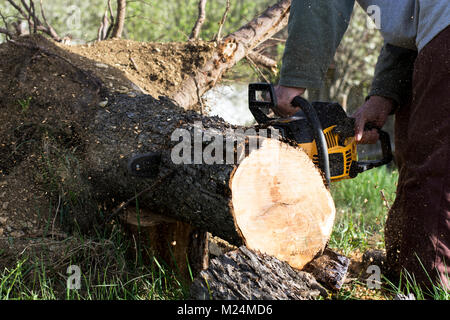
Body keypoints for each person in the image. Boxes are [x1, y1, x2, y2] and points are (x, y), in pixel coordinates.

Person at [275, 0, 449, 292]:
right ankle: (403, 266)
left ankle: (426, 287)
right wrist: (382, 94)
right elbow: (411, 24)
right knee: (415, 152)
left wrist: (294, 79)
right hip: (433, 34)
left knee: (436, 167)